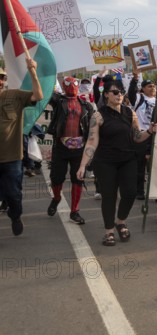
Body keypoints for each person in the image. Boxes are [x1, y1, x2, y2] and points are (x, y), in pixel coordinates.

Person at [76, 78, 157, 246]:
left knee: (130, 193)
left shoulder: (130, 113)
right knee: (109, 197)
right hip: (105, 162)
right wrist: (83, 165)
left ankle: (120, 221)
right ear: (106, 94)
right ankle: (109, 231)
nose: (119, 95)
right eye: (115, 92)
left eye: (121, 92)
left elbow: (137, 137)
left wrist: (149, 131)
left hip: (128, 160)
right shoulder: (98, 115)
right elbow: (91, 142)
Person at [0, 58, 43, 236]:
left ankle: (15, 215)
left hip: (11, 159)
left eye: (1, 78)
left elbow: (38, 96)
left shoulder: (14, 95)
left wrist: (33, 72)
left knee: (14, 196)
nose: (0, 81)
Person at [46, 77, 95, 225]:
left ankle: (74, 211)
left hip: (79, 148)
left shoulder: (87, 106)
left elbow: (92, 128)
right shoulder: (58, 101)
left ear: (79, 85)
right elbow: (45, 91)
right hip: (61, 147)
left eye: (75, 83)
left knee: (78, 178)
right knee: (56, 178)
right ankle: (56, 198)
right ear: (62, 85)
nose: (72, 86)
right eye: (68, 83)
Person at [128, 75, 156, 200]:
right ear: (143, 88)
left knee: (156, 165)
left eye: (154, 86)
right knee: (140, 165)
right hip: (141, 135)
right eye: (149, 86)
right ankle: (139, 191)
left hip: (155, 135)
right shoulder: (139, 98)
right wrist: (134, 80)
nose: (153, 88)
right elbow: (131, 94)